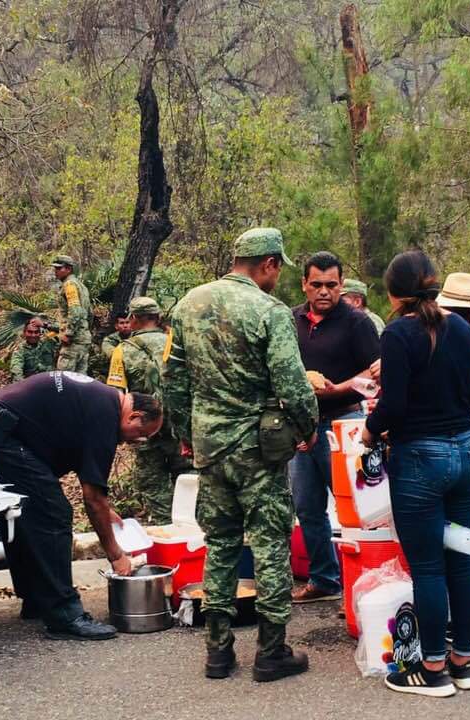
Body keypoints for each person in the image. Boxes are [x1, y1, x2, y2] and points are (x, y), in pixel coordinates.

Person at [164, 227, 318, 682]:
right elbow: (293, 383)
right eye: (278, 269)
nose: (277, 278)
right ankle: (271, 653)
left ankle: (218, 651)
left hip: (210, 448)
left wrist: (184, 432)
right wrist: (305, 429)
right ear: (268, 264)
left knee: (221, 546)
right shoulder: (268, 311)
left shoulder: (187, 305)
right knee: (270, 547)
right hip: (259, 451)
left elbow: (171, 380)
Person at [363, 250, 470, 697]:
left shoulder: (397, 333)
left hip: (419, 458)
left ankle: (432, 669)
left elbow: (392, 405)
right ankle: (463, 663)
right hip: (465, 453)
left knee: (428, 567)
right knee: (461, 560)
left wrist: (371, 433)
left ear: (395, 293)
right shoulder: (461, 328)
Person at [0, 373, 163, 639]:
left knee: (27, 512)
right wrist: (116, 556)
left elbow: (88, 477)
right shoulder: (106, 413)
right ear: (133, 416)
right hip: (6, 436)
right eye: (141, 434)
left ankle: (37, 599)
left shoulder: (102, 401)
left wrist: (104, 508)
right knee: (54, 514)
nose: (137, 441)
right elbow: (92, 498)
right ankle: (64, 615)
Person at [290, 252, 379, 603]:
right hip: (302, 425)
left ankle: (364, 588)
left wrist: (337, 388)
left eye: (331, 285)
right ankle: (324, 579)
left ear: (342, 285)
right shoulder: (291, 319)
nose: (324, 292)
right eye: (316, 285)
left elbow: (376, 377)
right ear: (304, 285)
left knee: (355, 509)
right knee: (307, 506)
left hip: (345, 422)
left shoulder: (357, 322)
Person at [106, 296, 190, 524]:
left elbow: (115, 396)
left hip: (144, 428)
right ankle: (190, 529)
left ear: (133, 319)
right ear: (158, 317)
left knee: (153, 482)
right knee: (189, 479)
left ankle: (165, 527)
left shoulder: (122, 350)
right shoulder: (178, 343)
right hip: (182, 428)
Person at [52, 254, 93, 375]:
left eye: (59, 268)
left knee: (63, 379)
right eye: (55, 268)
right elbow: (89, 313)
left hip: (73, 341)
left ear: (69, 269)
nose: (56, 271)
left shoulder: (69, 285)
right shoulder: (81, 286)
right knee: (80, 379)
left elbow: (76, 311)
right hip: (83, 339)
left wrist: (69, 334)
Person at [9, 318, 59, 382]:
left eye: (36, 332)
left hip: (51, 381)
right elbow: (16, 370)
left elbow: (64, 330)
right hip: (32, 384)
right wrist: (23, 385)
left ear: (40, 333)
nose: (33, 335)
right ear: (24, 333)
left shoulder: (48, 341)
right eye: (30, 332)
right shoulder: (20, 349)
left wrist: (44, 325)